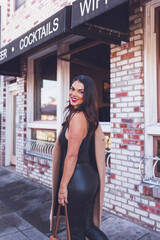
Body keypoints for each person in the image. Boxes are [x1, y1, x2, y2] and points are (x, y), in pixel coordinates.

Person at [50, 75, 109, 240]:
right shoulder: (86, 115)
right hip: (88, 178)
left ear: (87, 95)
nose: (74, 93)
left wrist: (63, 188)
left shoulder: (77, 118)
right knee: (88, 227)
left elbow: (72, 155)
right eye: (72, 88)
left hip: (76, 182)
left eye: (80, 91)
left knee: (75, 232)